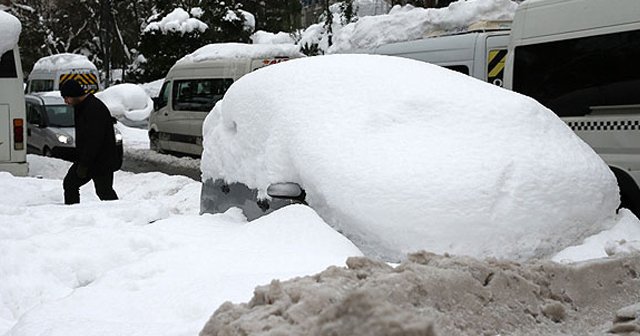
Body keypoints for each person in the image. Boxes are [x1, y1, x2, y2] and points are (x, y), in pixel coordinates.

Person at [61, 79, 119, 204]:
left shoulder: (94, 108)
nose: (66, 102)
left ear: (74, 94)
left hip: (100, 160)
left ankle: (122, 215)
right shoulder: (81, 106)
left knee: (104, 191)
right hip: (90, 159)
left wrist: (84, 164)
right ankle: (73, 213)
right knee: (71, 184)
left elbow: (94, 139)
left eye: (66, 98)